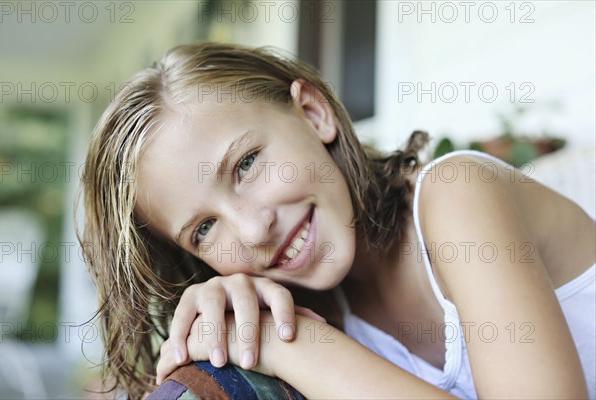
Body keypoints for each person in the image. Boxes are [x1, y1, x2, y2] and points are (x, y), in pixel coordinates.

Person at [79, 42, 595, 399]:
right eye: (205, 229)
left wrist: (297, 345)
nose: (255, 231)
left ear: (313, 113)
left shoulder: (458, 194)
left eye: (247, 164)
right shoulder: (317, 306)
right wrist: (232, 323)